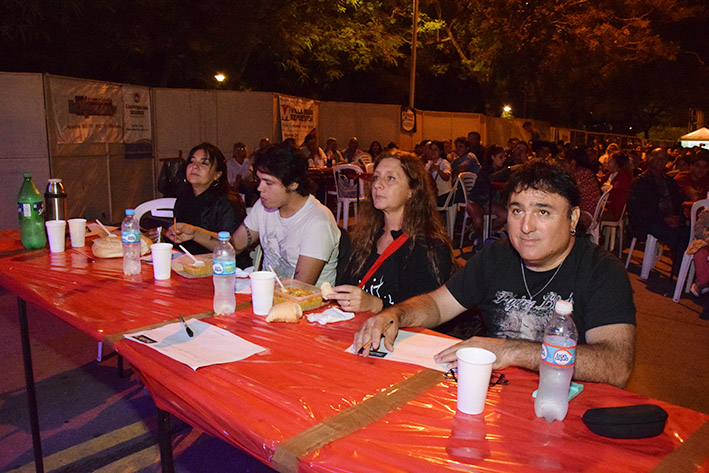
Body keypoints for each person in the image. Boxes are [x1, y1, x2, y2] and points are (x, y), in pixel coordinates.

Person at [353, 160, 636, 388]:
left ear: (572, 218)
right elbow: (437, 305)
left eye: (543, 212)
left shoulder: (602, 271)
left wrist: (512, 351)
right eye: (516, 210)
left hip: (563, 406)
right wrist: (395, 314)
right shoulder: (496, 257)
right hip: (493, 395)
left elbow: (616, 364)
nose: (526, 226)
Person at [170, 144, 340, 286]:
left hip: (305, 311)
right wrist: (194, 233)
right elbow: (234, 247)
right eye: (259, 180)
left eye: (268, 182)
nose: (260, 188)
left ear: (294, 184)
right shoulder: (265, 207)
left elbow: (300, 289)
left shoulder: (317, 222)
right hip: (266, 295)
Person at [327, 150, 455, 313]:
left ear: (412, 191)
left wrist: (376, 305)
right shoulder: (367, 237)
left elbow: (426, 313)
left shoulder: (429, 247)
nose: (377, 185)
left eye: (390, 178)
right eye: (376, 177)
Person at [168, 143, 242, 255]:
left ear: (217, 175)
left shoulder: (227, 201)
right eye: (192, 161)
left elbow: (233, 246)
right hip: (187, 262)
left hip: (223, 266)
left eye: (204, 163)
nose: (195, 166)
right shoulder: (184, 196)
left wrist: (195, 234)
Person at [628, 148, 690, 276]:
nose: (659, 161)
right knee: (676, 237)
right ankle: (681, 273)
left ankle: (686, 272)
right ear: (649, 158)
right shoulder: (641, 181)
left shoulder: (669, 182)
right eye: (656, 157)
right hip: (649, 221)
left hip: (669, 219)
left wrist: (677, 218)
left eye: (663, 158)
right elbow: (638, 209)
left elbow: (678, 203)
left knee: (688, 234)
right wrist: (663, 218)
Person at [465, 145, 508, 239]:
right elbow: (491, 184)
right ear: (492, 157)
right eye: (500, 157)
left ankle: (487, 233)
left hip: (488, 202)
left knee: (504, 215)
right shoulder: (486, 170)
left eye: (504, 157)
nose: (503, 159)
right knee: (478, 220)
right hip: (476, 201)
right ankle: (480, 238)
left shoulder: (501, 171)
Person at [564, 148, 601, 228]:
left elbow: (572, 197)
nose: (564, 166)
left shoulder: (581, 175)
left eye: (565, 162)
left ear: (573, 163)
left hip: (587, 214)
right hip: (593, 213)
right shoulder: (587, 172)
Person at [600, 150, 633, 221]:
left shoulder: (624, 177)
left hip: (615, 211)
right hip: (606, 207)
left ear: (616, 162)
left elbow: (618, 197)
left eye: (610, 160)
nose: (607, 161)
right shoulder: (609, 175)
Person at [227, 142, 258, 206]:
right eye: (237, 149)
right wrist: (237, 180)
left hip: (247, 184)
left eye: (241, 149)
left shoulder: (247, 162)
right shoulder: (230, 163)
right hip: (234, 186)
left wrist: (241, 178)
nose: (239, 151)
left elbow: (249, 173)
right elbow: (229, 179)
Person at [425, 140, 452, 206]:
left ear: (440, 152)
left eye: (436, 149)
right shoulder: (428, 164)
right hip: (432, 194)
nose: (433, 151)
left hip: (443, 195)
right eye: (431, 149)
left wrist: (439, 170)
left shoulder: (444, 163)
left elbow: (447, 178)